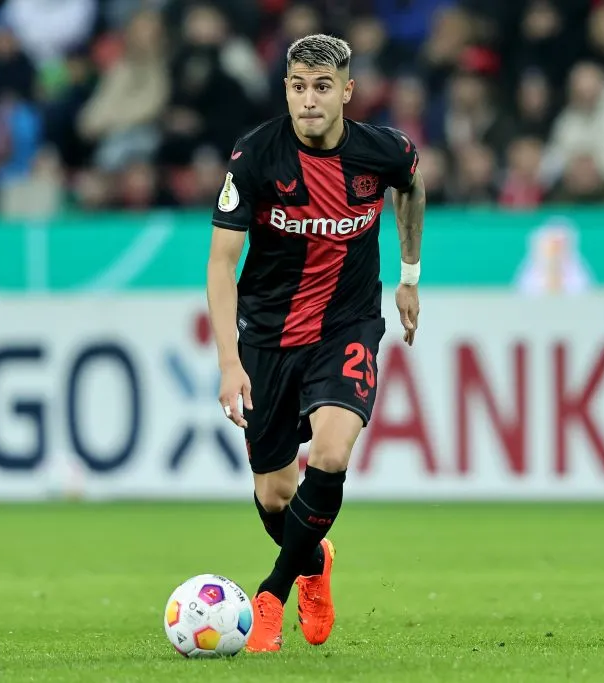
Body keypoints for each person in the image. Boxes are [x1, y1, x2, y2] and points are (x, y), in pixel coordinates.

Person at [205, 33, 426, 653]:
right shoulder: (254, 158)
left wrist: (409, 276)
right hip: (269, 336)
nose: (309, 99)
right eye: (298, 86)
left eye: (322, 87)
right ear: (286, 89)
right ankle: (313, 562)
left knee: (330, 455)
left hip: (347, 325)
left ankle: (272, 595)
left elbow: (411, 184)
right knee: (275, 494)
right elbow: (221, 265)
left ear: (346, 93)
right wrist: (229, 362)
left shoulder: (381, 152)